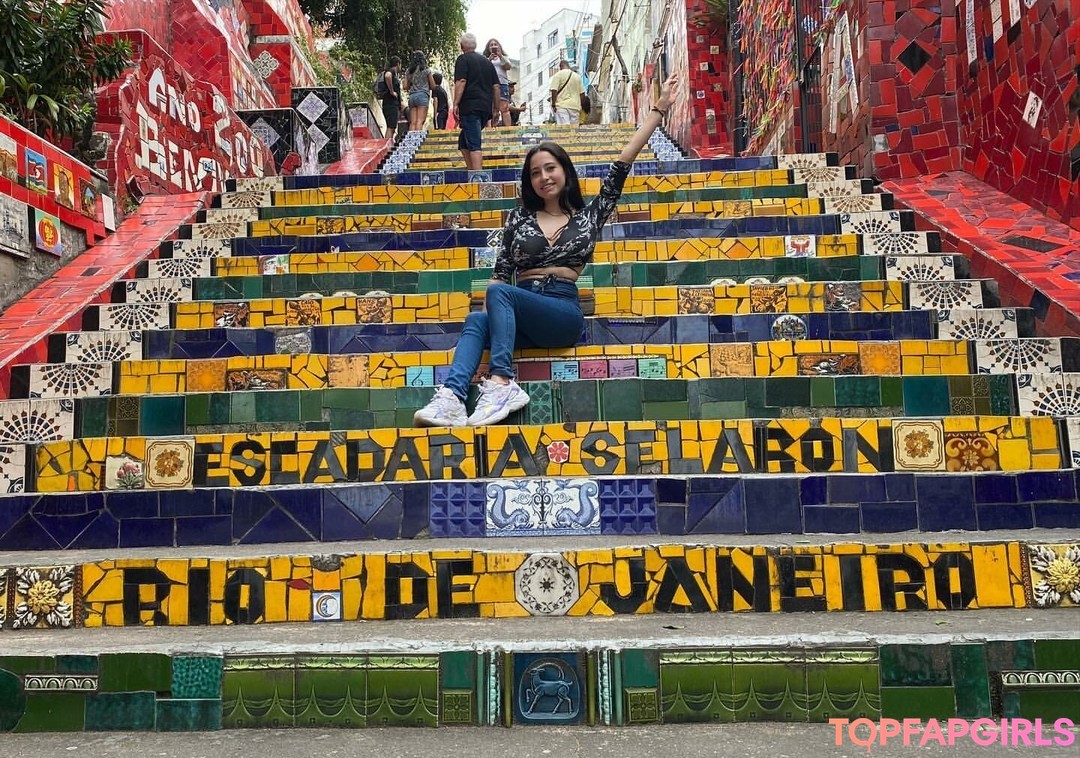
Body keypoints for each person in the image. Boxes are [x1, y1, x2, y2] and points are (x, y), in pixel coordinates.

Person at [414, 73, 679, 427]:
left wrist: (658, 110)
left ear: (565, 172)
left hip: (561, 312)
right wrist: (496, 313)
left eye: (550, 168)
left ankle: (502, 382)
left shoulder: (588, 217)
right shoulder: (518, 219)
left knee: (501, 296)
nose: (544, 177)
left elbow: (622, 165)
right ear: (530, 182)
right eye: (536, 173)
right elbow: (500, 274)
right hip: (520, 310)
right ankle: (452, 398)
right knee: (477, 319)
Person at [452, 32, 500, 170]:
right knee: (463, 142)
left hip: (470, 107)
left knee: (474, 144)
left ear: (462, 46)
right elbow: (496, 86)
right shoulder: (487, 62)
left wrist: (455, 103)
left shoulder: (462, 59)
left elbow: (461, 81)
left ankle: (478, 177)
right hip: (485, 108)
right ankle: (472, 172)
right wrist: (496, 109)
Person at [404, 50, 437, 131]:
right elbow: (433, 86)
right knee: (420, 121)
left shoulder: (409, 71)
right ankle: (417, 139)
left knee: (413, 122)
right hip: (423, 96)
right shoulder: (426, 70)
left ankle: (411, 138)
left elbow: (405, 86)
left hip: (412, 96)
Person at [485, 38, 512, 127]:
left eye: (495, 44)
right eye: (491, 45)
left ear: (499, 47)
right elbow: (482, 70)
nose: (493, 46)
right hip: (490, 85)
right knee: (491, 108)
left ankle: (508, 129)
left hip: (502, 84)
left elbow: (508, 67)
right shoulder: (486, 59)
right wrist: (489, 59)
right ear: (488, 48)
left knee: (504, 108)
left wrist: (500, 56)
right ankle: (490, 129)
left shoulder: (504, 58)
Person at [548, 60, 584, 126]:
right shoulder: (577, 77)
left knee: (564, 128)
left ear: (560, 67)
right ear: (568, 66)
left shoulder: (558, 75)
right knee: (574, 129)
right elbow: (582, 94)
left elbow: (554, 90)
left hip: (562, 107)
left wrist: (553, 104)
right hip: (575, 107)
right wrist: (581, 106)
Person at [380, 56, 403, 138]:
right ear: (398, 64)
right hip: (390, 104)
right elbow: (387, 76)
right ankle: (387, 144)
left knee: (392, 127)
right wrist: (392, 91)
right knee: (391, 127)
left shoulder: (394, 73)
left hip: (389, 103)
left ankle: (388, 143)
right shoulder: (392, 71)